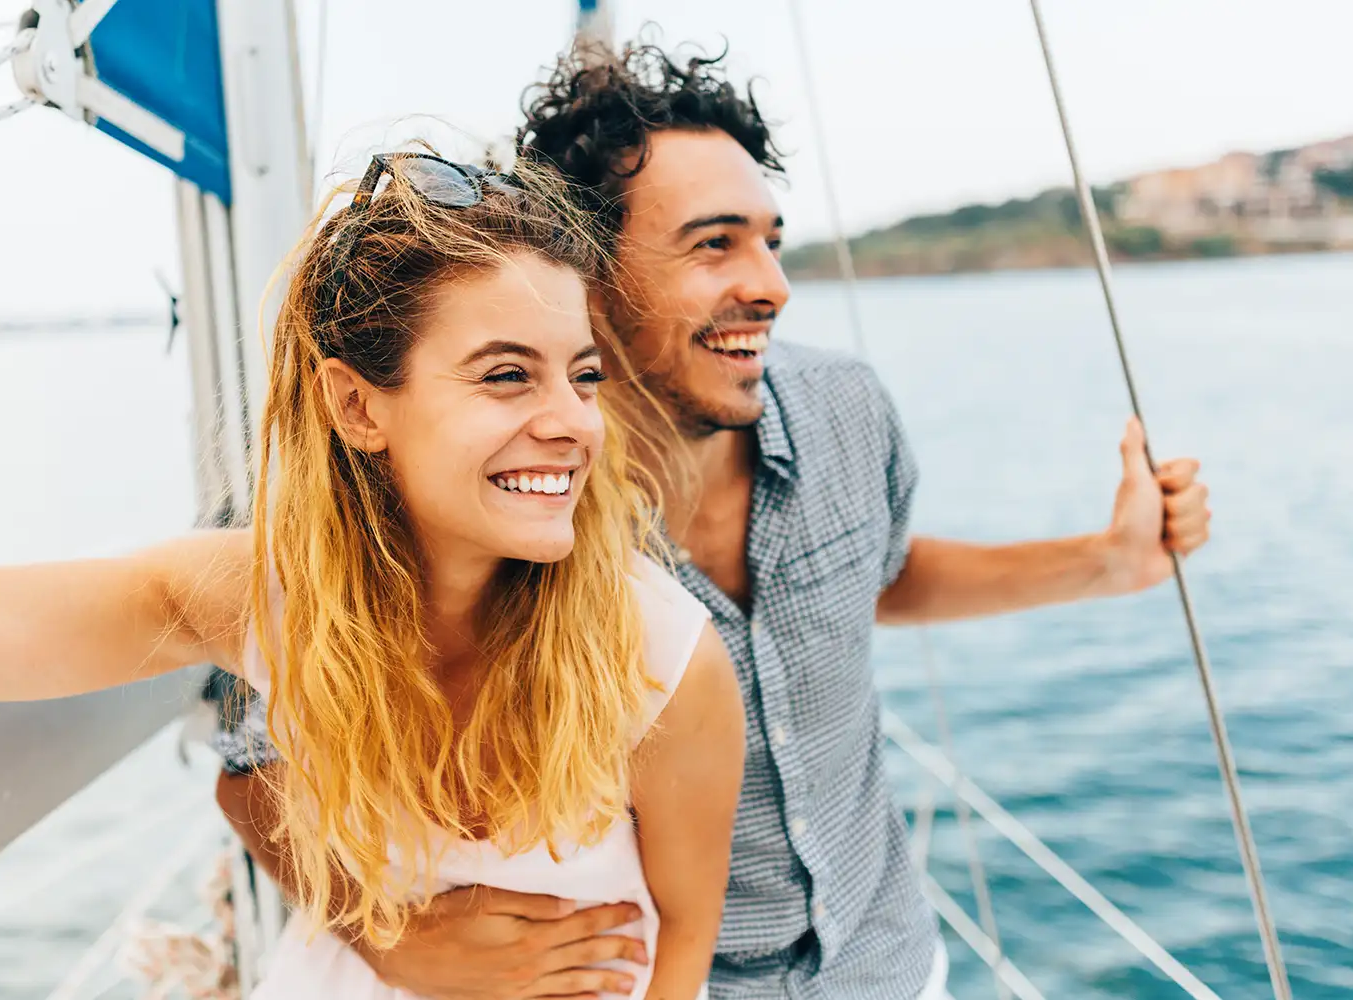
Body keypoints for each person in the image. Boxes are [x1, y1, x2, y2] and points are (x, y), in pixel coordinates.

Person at [216, 41, 1213, 1000]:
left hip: (889, 965)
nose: (772, 286)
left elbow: (881, 574)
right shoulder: (472, 511)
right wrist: (382, 936)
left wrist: (1105, 561)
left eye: (771, 241)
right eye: (714, 245)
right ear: (585, 279)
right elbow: (248, 764)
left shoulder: (845, 410)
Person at [0, 82, 747, 1000]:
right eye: (508, 375)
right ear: (356, 405)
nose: (573, 423)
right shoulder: (261, 596)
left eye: (583, 374)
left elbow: (685, 943)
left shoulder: (659, 658)